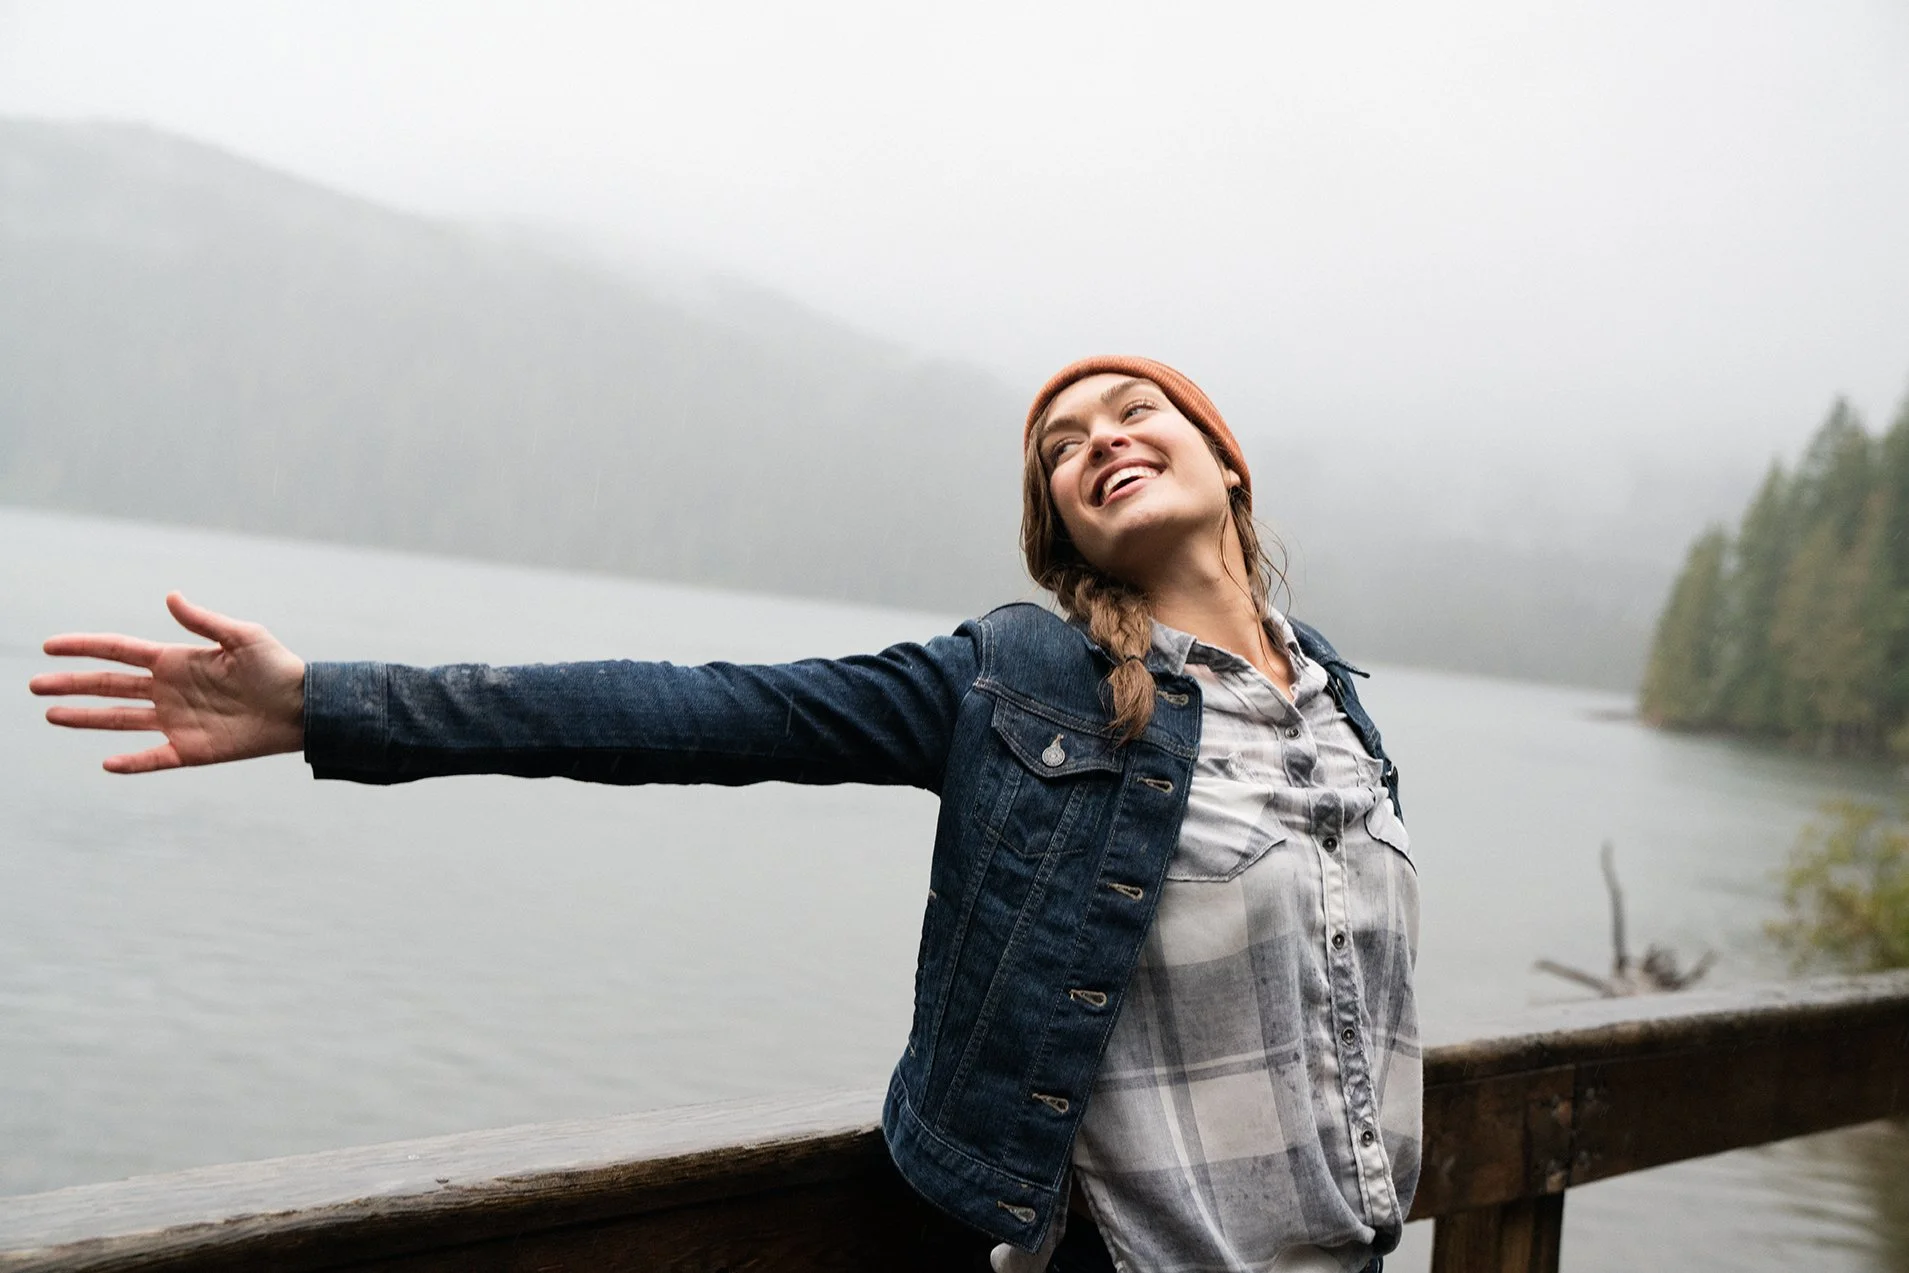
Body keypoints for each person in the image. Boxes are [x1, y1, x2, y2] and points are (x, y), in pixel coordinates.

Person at [33, 356, 1418, 1273]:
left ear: (1227, 463)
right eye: (1064, 448)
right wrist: (330, 705)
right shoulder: (1023, 682)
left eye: (1133, 412)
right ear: (1062, 533)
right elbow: (684, 712)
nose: (1099, 439)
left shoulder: (1334, 704)